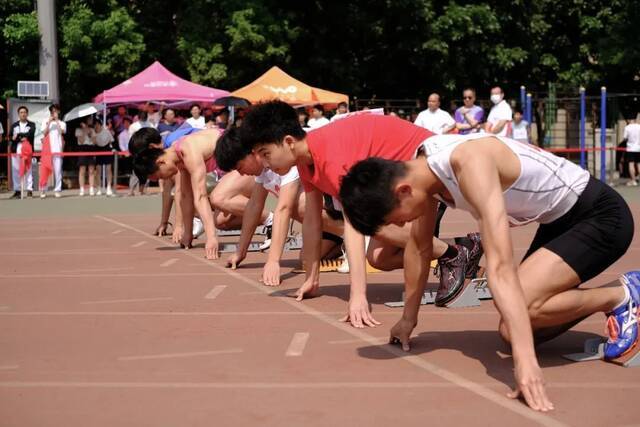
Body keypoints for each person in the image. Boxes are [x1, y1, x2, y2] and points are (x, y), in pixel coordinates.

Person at [340, 132, 639, 412]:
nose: (401, 226)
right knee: (512, 330)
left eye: (396, 219)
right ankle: (610, 296)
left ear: (403, 190)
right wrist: (408, 319)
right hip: (559, 220)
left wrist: (525, 363)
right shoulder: (422, 167)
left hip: (600, 215)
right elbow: (419, 247)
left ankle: (622, 295)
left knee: (521, 309)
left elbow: (499, 266)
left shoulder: (470, 165)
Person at [238, 101, 482, 326]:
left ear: (289, 142)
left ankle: (453, 254)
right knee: (378, 258)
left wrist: (358, 297)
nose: (263, 163)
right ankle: (463, 247)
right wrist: (311, 278)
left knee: (365, 221)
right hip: (393, 186)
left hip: (428, 170)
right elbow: (312, 221)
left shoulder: (332, 158)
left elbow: (353, 225)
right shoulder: (305, 160)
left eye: (265, 153)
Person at [215, 127, 345, 285]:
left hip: (338, 206)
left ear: (253, 153)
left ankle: (359, 237)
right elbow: (254, 206)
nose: (242, 174)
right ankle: (342, 241)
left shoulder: (284, 157)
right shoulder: (263, 169)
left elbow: (284, 208)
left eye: (240, 167)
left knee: (300, 204)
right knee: (306, 259)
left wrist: (273, 261)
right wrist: (240, 252)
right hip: (324, 219)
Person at [131, 128, 265, 259]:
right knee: (219, 221)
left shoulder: (188, 151)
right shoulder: (177, 154)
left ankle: (273, 220)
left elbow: (200, 197)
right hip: (237, 170)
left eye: (160, 176)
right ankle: (269, 219)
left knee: (218, 198)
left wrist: (211, 238)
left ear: (161, 162)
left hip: (251, 164)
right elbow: (185, 195)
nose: (164, 179)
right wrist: (187, 233)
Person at [40, 104, 67, 198]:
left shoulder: (62, 123)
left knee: (58, 170)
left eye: (55, 111)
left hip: (58, 149)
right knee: (45, 169)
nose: (53, 112)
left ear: (58, 112)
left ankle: (57, 189)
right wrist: (49, 122)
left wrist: (56, 121)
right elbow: (44, 133)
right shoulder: (45, 121)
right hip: (47, 149)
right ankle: (43, 189)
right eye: (52, 111)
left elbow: (62, 132)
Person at [10, 106, 36, 198]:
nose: (23, 114)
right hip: (16, 150)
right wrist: (19, 137)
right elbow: (10, 137)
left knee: (28, 170)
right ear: (18, 114)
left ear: (27, 114)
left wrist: (18, 135)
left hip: (27, 150)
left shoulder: (31, 124)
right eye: (21, 112)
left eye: (24, 112)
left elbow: (30, 134)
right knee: (16, 170)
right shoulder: (14, 125)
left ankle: (29, 190)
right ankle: (17, 190)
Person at [92, 120, 115, 196]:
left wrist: (111, 148)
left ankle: (108, 187)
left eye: (98, 124)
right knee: (98, 170)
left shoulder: (106, 131)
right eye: (95, 125)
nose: (96, 126)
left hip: (107, 149)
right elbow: (94, 143)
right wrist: (94, 135)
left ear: (100, 125)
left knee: (108, 169)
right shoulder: (93, 132)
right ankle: (99, 188)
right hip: (98, 149)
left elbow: (111, 141)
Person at [75, 117, 97, 196]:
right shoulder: (78, 130)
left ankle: (91, 188)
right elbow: (81, 141)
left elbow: (94, 142)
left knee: (91, 170)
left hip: (91, 148)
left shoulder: (92, 130)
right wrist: (84, 131)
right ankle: (82, 188)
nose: (91, 121)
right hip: (82, 148)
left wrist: (90, 133)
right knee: (82, 170)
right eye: (89, 119)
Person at [623, 118, 640, 186]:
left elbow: (625, 138)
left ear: (628, 120)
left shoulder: (627, 127)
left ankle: (633, 180)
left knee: (631, 164)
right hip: (639, 148)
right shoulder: (639, 126)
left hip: (631, 148)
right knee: (639, 164)